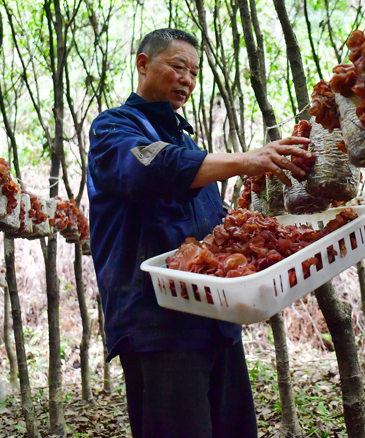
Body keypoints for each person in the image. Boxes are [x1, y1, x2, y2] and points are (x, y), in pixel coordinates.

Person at [87, 28, 312, 438]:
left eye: (194, 72)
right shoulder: (113, 129)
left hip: (216, 321)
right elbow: (152, 168)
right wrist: (248, 160)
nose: (187, 79)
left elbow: (214, 229)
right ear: (143, 64)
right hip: (158, 325)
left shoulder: (188, 143)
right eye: (178, 66)